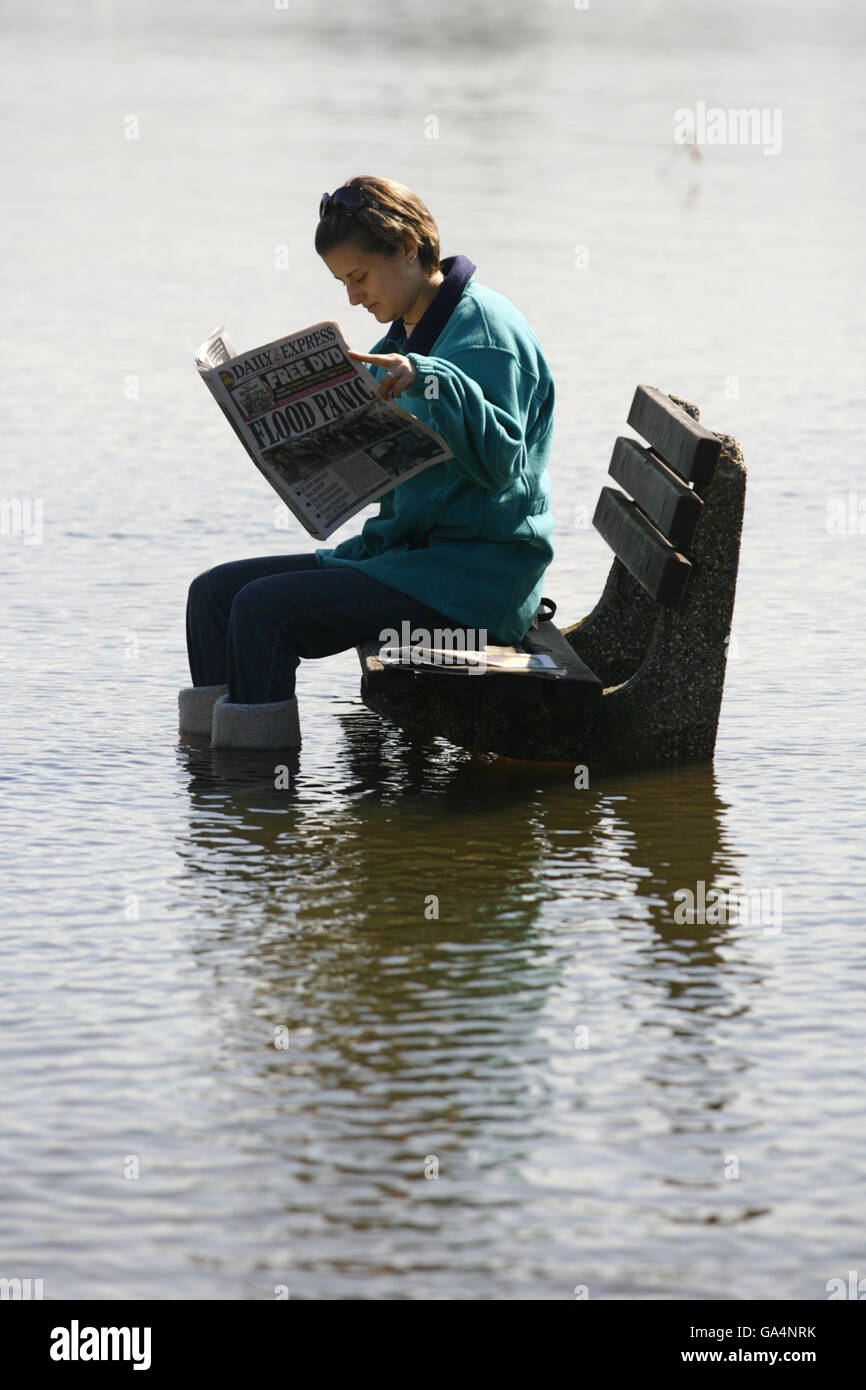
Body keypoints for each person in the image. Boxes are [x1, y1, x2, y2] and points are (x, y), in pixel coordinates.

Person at [179, 175, 556, 749]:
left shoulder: (483, 335)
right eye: (342, 282)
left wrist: (432, 379)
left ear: (407, 249)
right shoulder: (411, 328)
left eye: (358, 277)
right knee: (213, 595)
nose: (353, 298)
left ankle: (255, 788)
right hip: (407, 559)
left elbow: (504, 466)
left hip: (473, 582)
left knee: (262, 610)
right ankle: (216, 785)